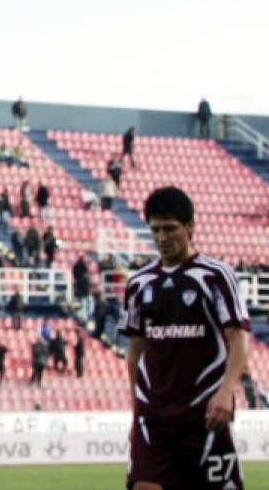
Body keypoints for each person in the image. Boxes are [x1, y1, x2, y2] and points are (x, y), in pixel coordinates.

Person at [121, 186, 250, 490]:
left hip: (202, 414)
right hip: (153, 416)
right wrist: (137, 411)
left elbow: (238, 340)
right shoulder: (139, 283)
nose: (162, 238)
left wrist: (226, 391)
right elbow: (135, 351)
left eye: (170, 229)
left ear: (190, 226)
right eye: (155, 230)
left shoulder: (215, 276)